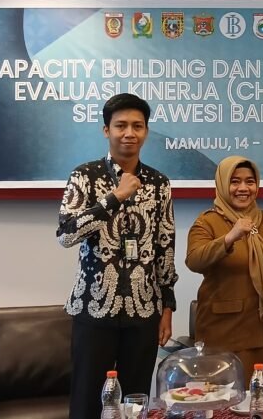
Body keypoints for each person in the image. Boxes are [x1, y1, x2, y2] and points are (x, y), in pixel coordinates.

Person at [56, 93, 178, 419]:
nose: (129, 133)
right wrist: (114, 198)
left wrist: (167, 305)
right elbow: (66, 234)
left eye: (137, 126)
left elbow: (165, 245)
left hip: (144, 308)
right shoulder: (85, 176)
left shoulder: (159, 183)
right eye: (121, 125)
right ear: (106, 130)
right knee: (87, 399)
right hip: (94, 307)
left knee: (135, 402)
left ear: (146, 132)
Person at [185, 156, 263, 386]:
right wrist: (229, 237)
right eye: (235, 182)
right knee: (227, 399)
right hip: (223, 332)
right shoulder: (207, 222)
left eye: (250, 182)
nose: (243, 188)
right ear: (222, 184)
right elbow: (194, 260)